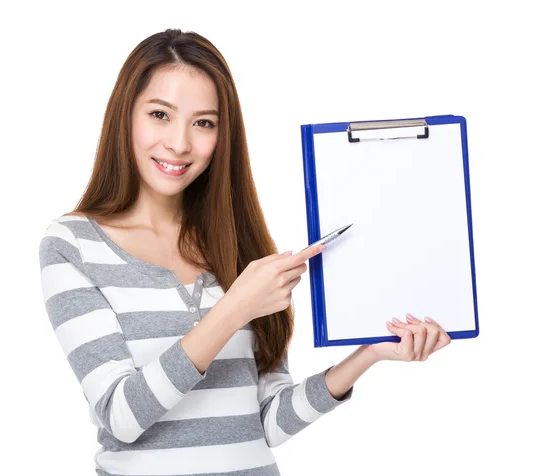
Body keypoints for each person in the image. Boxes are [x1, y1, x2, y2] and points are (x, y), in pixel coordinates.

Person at [38, 28, 451, 476]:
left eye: (204, 123)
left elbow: (266, 423)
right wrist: (233, 309)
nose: (180, 143)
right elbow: (121, 416)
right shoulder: (73, 243)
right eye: (160, 114)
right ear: (126, 116)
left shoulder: (237, 243)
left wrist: (367, 354)